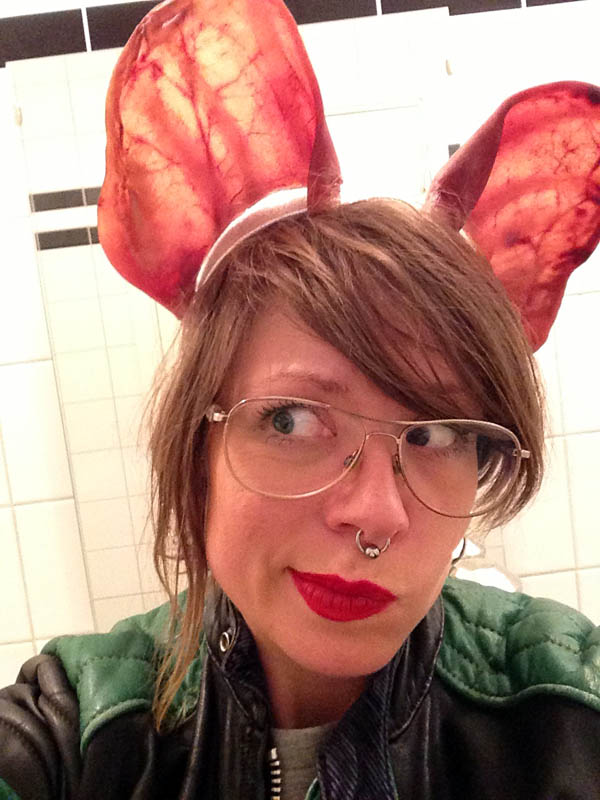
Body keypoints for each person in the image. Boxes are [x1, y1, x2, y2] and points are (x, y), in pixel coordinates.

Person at [1, 1, 600, 798]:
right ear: (199, 446)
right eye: (292, 419)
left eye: (435, 434)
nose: (377, 514)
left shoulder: (564, 711)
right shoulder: (80, 727)